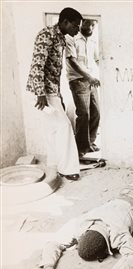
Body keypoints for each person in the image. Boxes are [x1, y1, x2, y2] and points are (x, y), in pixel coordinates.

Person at [26, 7, 83, 181]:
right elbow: (38, 65)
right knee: (64, 127)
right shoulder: (46, 35)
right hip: (42, 91)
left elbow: (54, 70)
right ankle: (68, 169)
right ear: (65, 22)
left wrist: (57, 95)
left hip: (51, 90)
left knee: (52, 129)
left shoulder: (60, 38)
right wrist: (40, 93)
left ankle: (55, 164)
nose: (77, 29)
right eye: (75, 25)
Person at [65, 19, 101, 157]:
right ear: (81, 23)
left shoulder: (92, 41)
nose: (90, 27)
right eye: (88, 24)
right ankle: (81, 148)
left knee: (96, 112)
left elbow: (98, 60)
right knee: (84, 114)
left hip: (91, 80)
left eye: (93, 25)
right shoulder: (71, 38)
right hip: (78, 81)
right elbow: (72, 61)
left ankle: (90, 143)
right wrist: (88, 77)